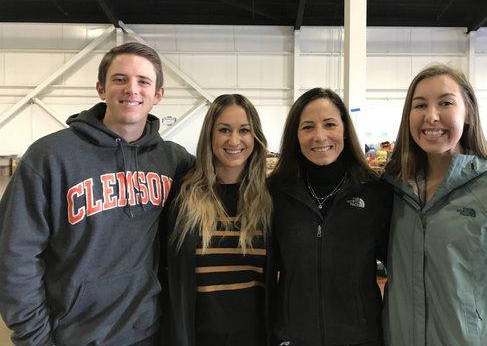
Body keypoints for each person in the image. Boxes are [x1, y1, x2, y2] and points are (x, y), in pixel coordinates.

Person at [0, 42, 195, 346]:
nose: (132, 89)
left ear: (158, 95)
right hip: (74, 336)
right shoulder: (49, 157)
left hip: (150, 332)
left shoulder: (174, 160)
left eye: (143, 81)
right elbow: (15, 257)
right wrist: (35, 339)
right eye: (120, 79)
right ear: (101, 88)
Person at [383, 64, 487, 346]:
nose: (431, 116)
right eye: (420, 105)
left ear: (468, 114)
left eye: (446, 103)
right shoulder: (394, 190)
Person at [268, 88, 392, 346]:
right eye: (308, 127)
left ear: (345, 130)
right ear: (296, 135)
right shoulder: (275, 194)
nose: (320, 136)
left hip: (360, 338)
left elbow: (402, 268)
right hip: (293, 338)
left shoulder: (374, 193)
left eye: (329, 124)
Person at [165, 94, 272, 346]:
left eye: (244, 130)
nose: (234, 140)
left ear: (255, 137)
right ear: (210, 135)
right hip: (197, 336)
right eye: (224, 130)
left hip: (254, 336)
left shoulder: (268, 199)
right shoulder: (184, 195)